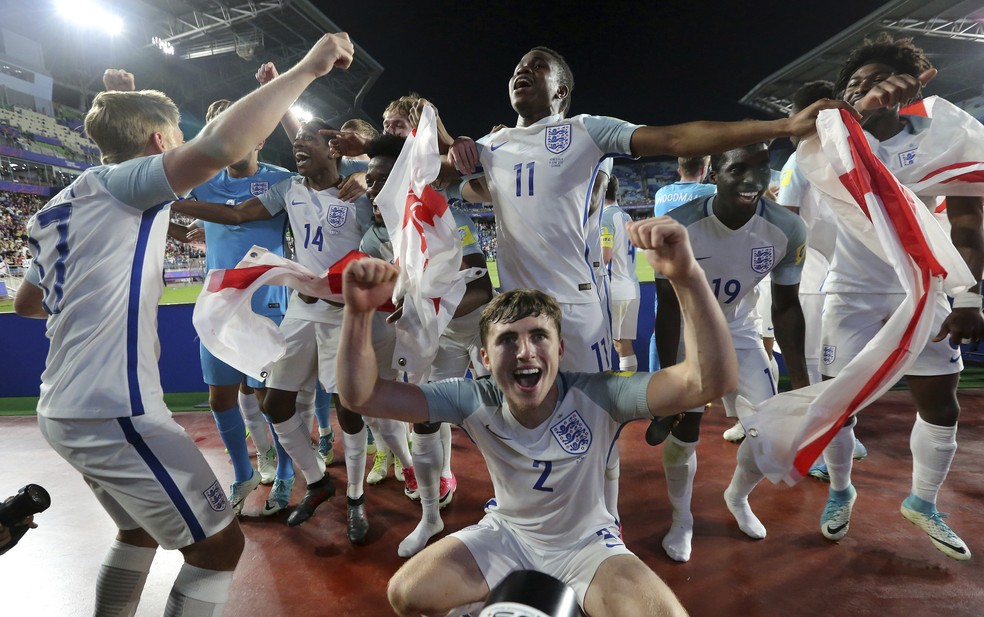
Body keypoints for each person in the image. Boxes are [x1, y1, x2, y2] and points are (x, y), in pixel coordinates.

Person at [13, 33, 355, 616]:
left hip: (65, 404)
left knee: (138, 532)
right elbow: (222, 143)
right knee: (219, 548)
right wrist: (309, 67)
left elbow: (28, 302)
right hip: (113, 407)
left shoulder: (61, 203)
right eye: (176, 139)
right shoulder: (131, 183)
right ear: (157, 145)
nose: (183, 149)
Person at [336, 216, 737, 617]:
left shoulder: (600, 394)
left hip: (587, 545)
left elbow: (708, 381)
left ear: (560, 350)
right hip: (508, 535)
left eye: (539, 336)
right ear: (485, 357)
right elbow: (363, 396)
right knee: (406, 593)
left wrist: (687, 276)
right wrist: (357, 314)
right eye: (508, 339)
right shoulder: (472, 397)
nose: (525, 351)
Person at [172, 117, 388, 543]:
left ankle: (356, 497)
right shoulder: (288, 189)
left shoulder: (361, 192)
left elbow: (395, 180)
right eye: (296, 142)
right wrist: (174, 204)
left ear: (334, 150)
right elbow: (236, 214)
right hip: (301, 310)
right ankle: (317, 481)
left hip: (344, 313)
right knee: (275, 402)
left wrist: (365, 173)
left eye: (308, 140)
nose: (298, 146)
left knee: (349, 407)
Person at [816, 33, 983, 561]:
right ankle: (840, 489)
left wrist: (970, 299)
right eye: (853, 82)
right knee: (838, 405)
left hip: (923, 287)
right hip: (851, 289)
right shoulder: (829, 135)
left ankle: (923, 502)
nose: (861, 89)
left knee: (940, 402)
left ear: (905, 87)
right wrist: (859, 110)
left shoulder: (941, 137)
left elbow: (968, 223)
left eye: (876, 80)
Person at [654, 142, 809, 561]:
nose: (751, 179)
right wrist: (667, 381)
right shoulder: (677, 227)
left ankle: (737, 497)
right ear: (714, 175)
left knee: (771, 436)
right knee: (684, 434)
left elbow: (787, 306)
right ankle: (681, 519)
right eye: (738, 169)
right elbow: (667, 308)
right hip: (690, 330)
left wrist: (801, 384)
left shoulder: (787, 228)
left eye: (760, 168)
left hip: (739, 328)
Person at [361, 133, 495, 558]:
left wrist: (423, 310)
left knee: (500, 417)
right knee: (424, 417)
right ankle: (431, 516)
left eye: (381, 179)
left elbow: (482, 289)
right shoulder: (385, 231)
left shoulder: (443, 215)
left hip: (482, 326)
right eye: (369, 180)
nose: (372, 188)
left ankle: (517, 503)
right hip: (440, 333)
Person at [171, 98, 297, 515]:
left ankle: (285, 472)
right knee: (220, 398)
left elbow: (239, 216)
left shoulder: (282, 180)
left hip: (266, 301)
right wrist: (168, 217)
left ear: (259, 137)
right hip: (219, 304)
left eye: (238, 129)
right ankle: (244, 474)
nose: (229, 139)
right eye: (220, 130)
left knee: (269, 398)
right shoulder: (202, 182)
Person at [774, 81, 867, 479]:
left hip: (826, 276)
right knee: (824, 367)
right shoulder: (819, 156)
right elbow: (789, 220)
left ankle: (832, 438)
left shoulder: (813, 156)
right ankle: (820, 444)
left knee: (828, 367)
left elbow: (787, 222)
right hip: (824, 274)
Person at [600, 175, 640, 372]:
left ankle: (619, 387)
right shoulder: (626, 216)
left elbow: (605, 256)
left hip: (615, 290)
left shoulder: (605, 217)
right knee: (624, 345)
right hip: (631, 286)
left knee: (614, 344)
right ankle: (628, 385)